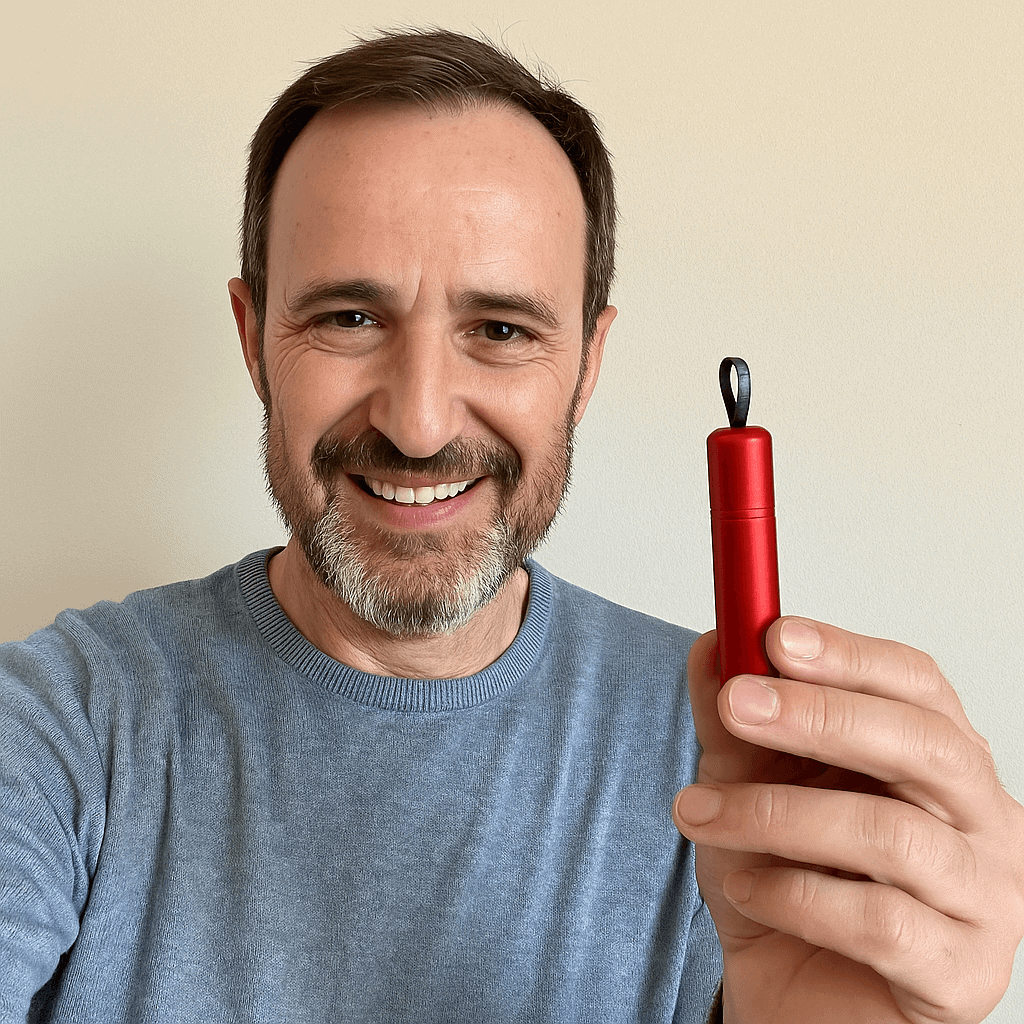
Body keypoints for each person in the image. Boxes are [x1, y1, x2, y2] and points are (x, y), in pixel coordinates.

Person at [1, 27, 1021, 1024]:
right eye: (349, 319)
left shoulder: (752, 775)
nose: (418, 421)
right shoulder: (60, 728)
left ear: (586, 363)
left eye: (499, 329)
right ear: (253, 336)